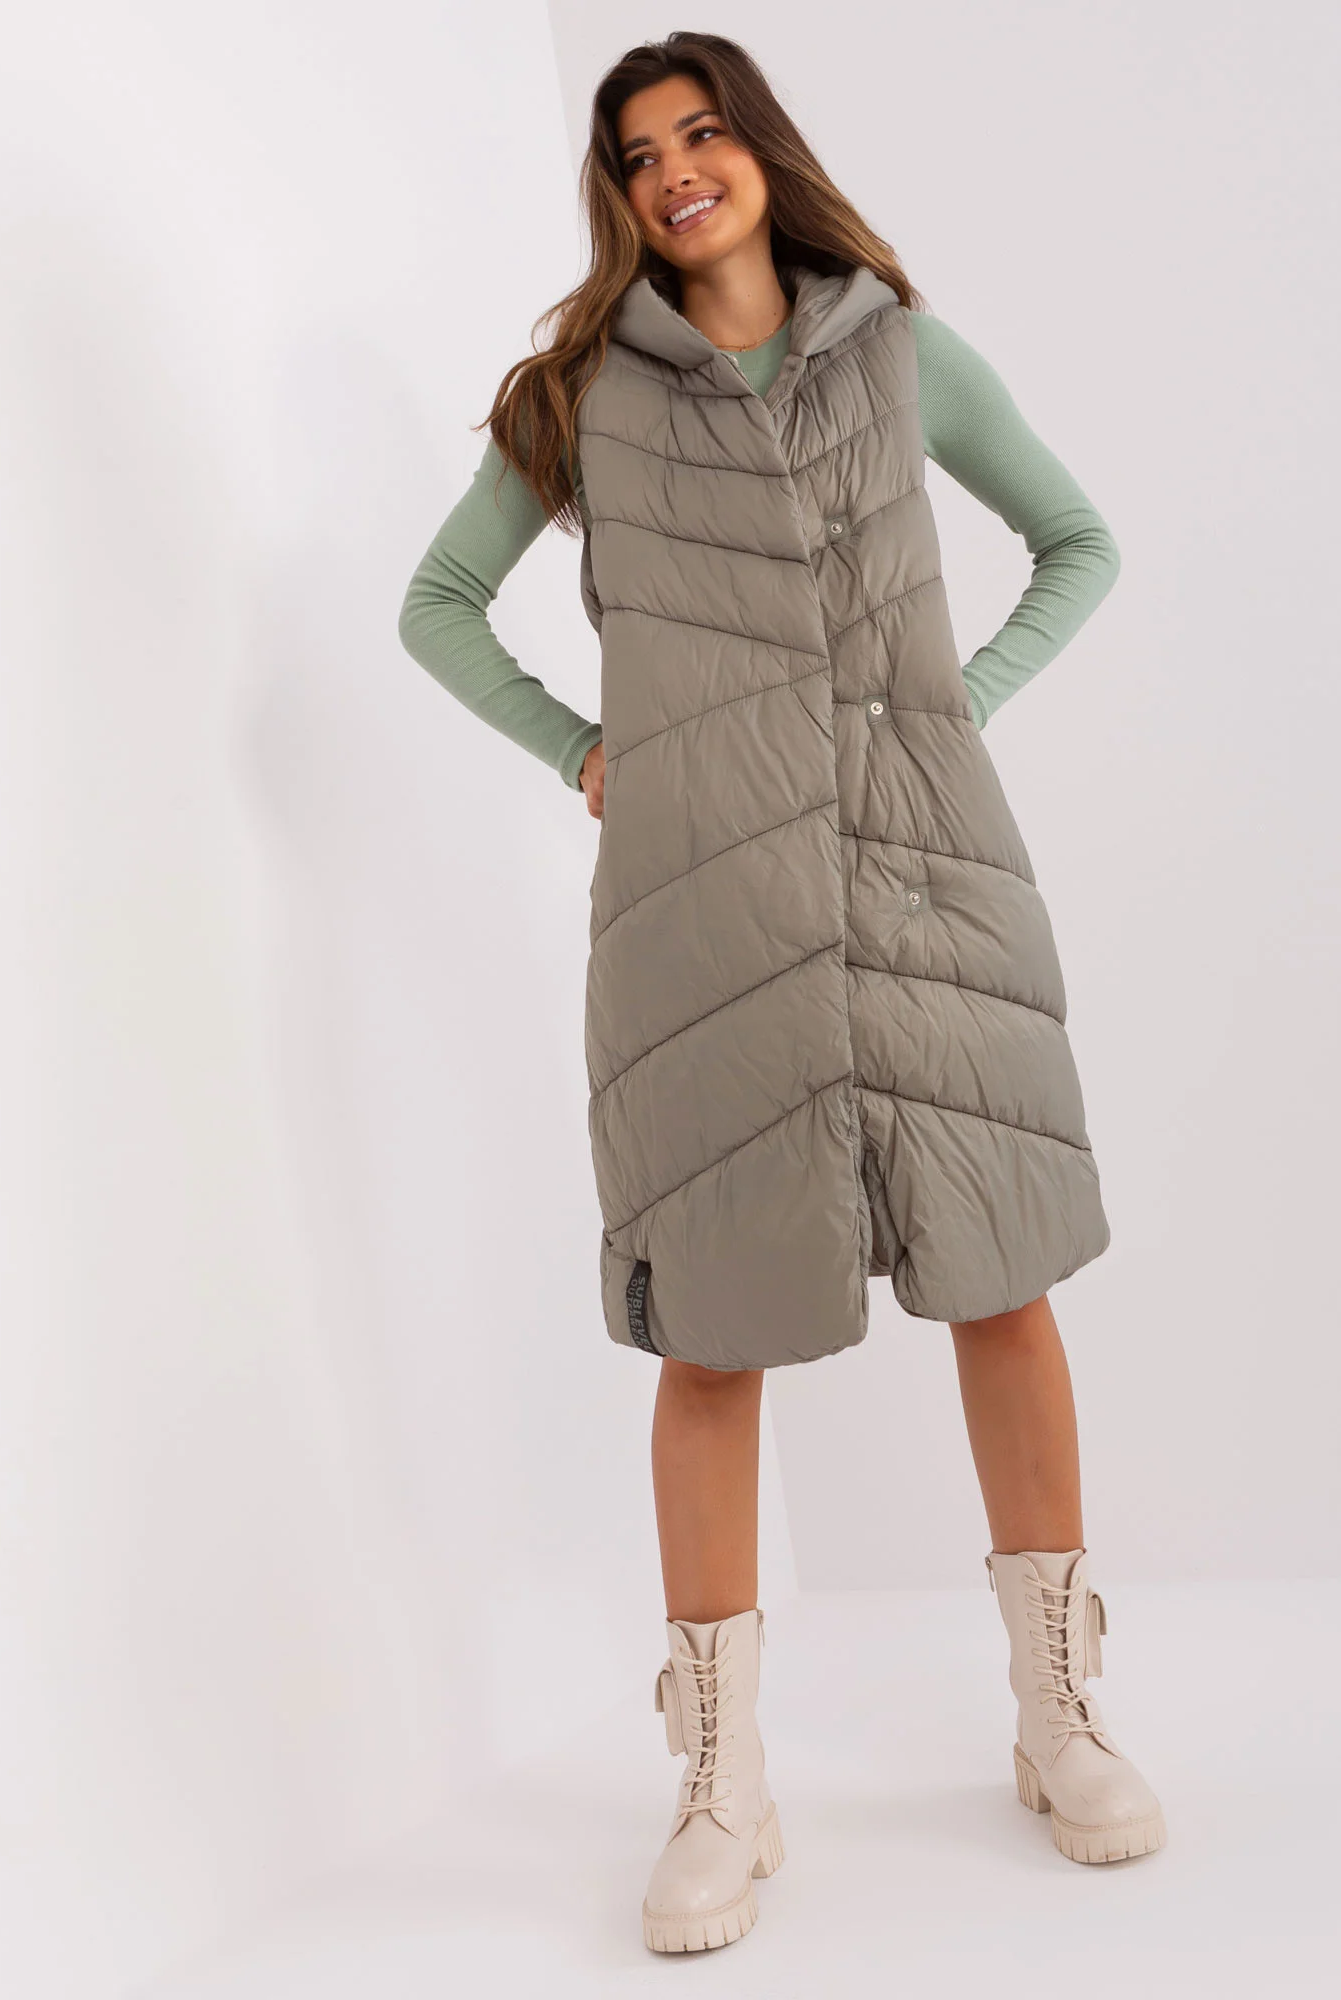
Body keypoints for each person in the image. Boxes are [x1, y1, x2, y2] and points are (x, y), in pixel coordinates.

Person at [396, 30, 1165, 1957]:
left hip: (928, 882)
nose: (675, 169)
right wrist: (585, 749)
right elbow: (436, 606)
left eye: (702, 132)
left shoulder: (904, 354)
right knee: (712, 1335)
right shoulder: (580, 398)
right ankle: (723, 1785)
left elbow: (1079, 542)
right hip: (703, 914)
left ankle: (1060, 1711)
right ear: (618, 193)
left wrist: (950, 711)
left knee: (1004, 1282)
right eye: (637, 152)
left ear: (760, 149)